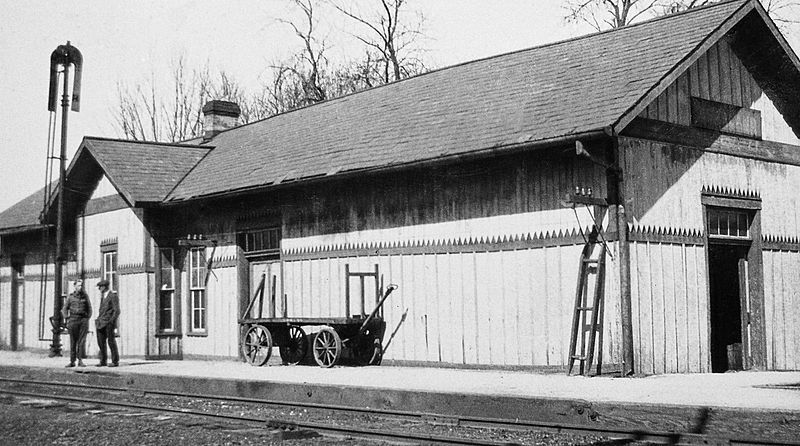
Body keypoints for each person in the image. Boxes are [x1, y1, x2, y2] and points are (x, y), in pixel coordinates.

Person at [62, 280, 92, 367]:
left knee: (81, 341)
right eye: (78, 286)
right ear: (75, 286)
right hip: (73, 320)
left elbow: (89, 309)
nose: (80, 287)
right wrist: (67, 319)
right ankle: (72, 361)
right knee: (73, 341)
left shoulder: (85, 297)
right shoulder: (70, 297)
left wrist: (86, 319)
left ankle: (80, 360)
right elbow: (64, 309)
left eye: (81, 285)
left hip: (83, 321)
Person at [94, 279, 120, 367]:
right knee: (101, 342)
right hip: (101, 322)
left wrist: (111, 322)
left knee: (111, 341)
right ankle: (103, 361)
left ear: (104, 287)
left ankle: (115, 361)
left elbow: (117, 311)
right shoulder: (103, 296)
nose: (99, 289)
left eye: (100, 287)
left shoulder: (112, 296)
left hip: (108, 322)